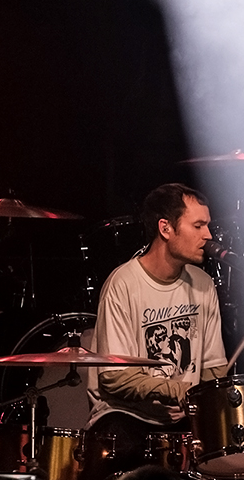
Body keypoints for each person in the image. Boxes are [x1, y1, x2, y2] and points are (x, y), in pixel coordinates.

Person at [86, 183, 228, 462]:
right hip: (125, 417)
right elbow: (114, 378)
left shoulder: (203, 283)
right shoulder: (123, 284)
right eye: (198, 226)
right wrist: (178, 390)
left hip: (180, 420)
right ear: (166, 228)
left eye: (208, 226)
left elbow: (214, 368)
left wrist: (213, 397)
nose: (208, 236)